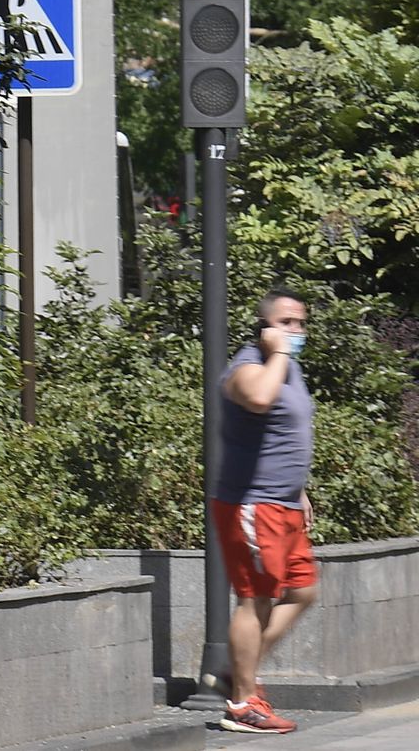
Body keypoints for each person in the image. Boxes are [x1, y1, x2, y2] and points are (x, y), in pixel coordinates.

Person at [207, 288, 318, 735]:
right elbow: (257, 399)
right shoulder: (247, 367)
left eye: (301, 323)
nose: (296, 330)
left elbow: (284, 434)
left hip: (285, 502)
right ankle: (242, 704)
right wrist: (278, 353)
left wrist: (300, 490)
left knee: (303, 591)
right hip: (253, 503)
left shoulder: (287, 367)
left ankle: (240, 671)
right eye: (286, 322)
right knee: (255, 598)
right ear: (263, 327)